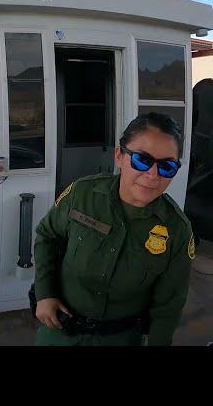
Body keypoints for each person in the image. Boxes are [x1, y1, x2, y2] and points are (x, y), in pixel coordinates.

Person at [34, 112, 194, 346]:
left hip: (121, 339)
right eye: (142, 160)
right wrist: (45, 293)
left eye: (167, 167)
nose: (152, 175)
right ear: (119, 156)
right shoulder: (82, 195)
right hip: (60, 330)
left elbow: (168, 305)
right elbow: (48, 236)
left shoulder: (177, 231)